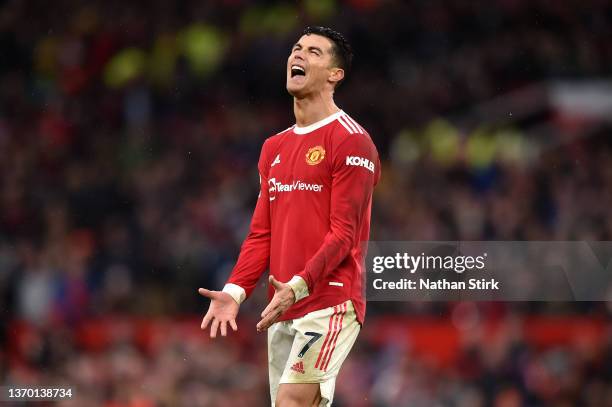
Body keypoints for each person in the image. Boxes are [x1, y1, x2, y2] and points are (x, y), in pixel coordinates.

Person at [199, 26, 380, 407]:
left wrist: (298, 286)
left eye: (314, 52)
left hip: (330, 298)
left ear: (335, 75)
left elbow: (344, 234)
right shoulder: (273, 148)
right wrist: (235, 292)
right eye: (296, 48)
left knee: (291, 402)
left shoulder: (351, 140)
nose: (298, 55)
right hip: (280, 304)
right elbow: (261, 234)